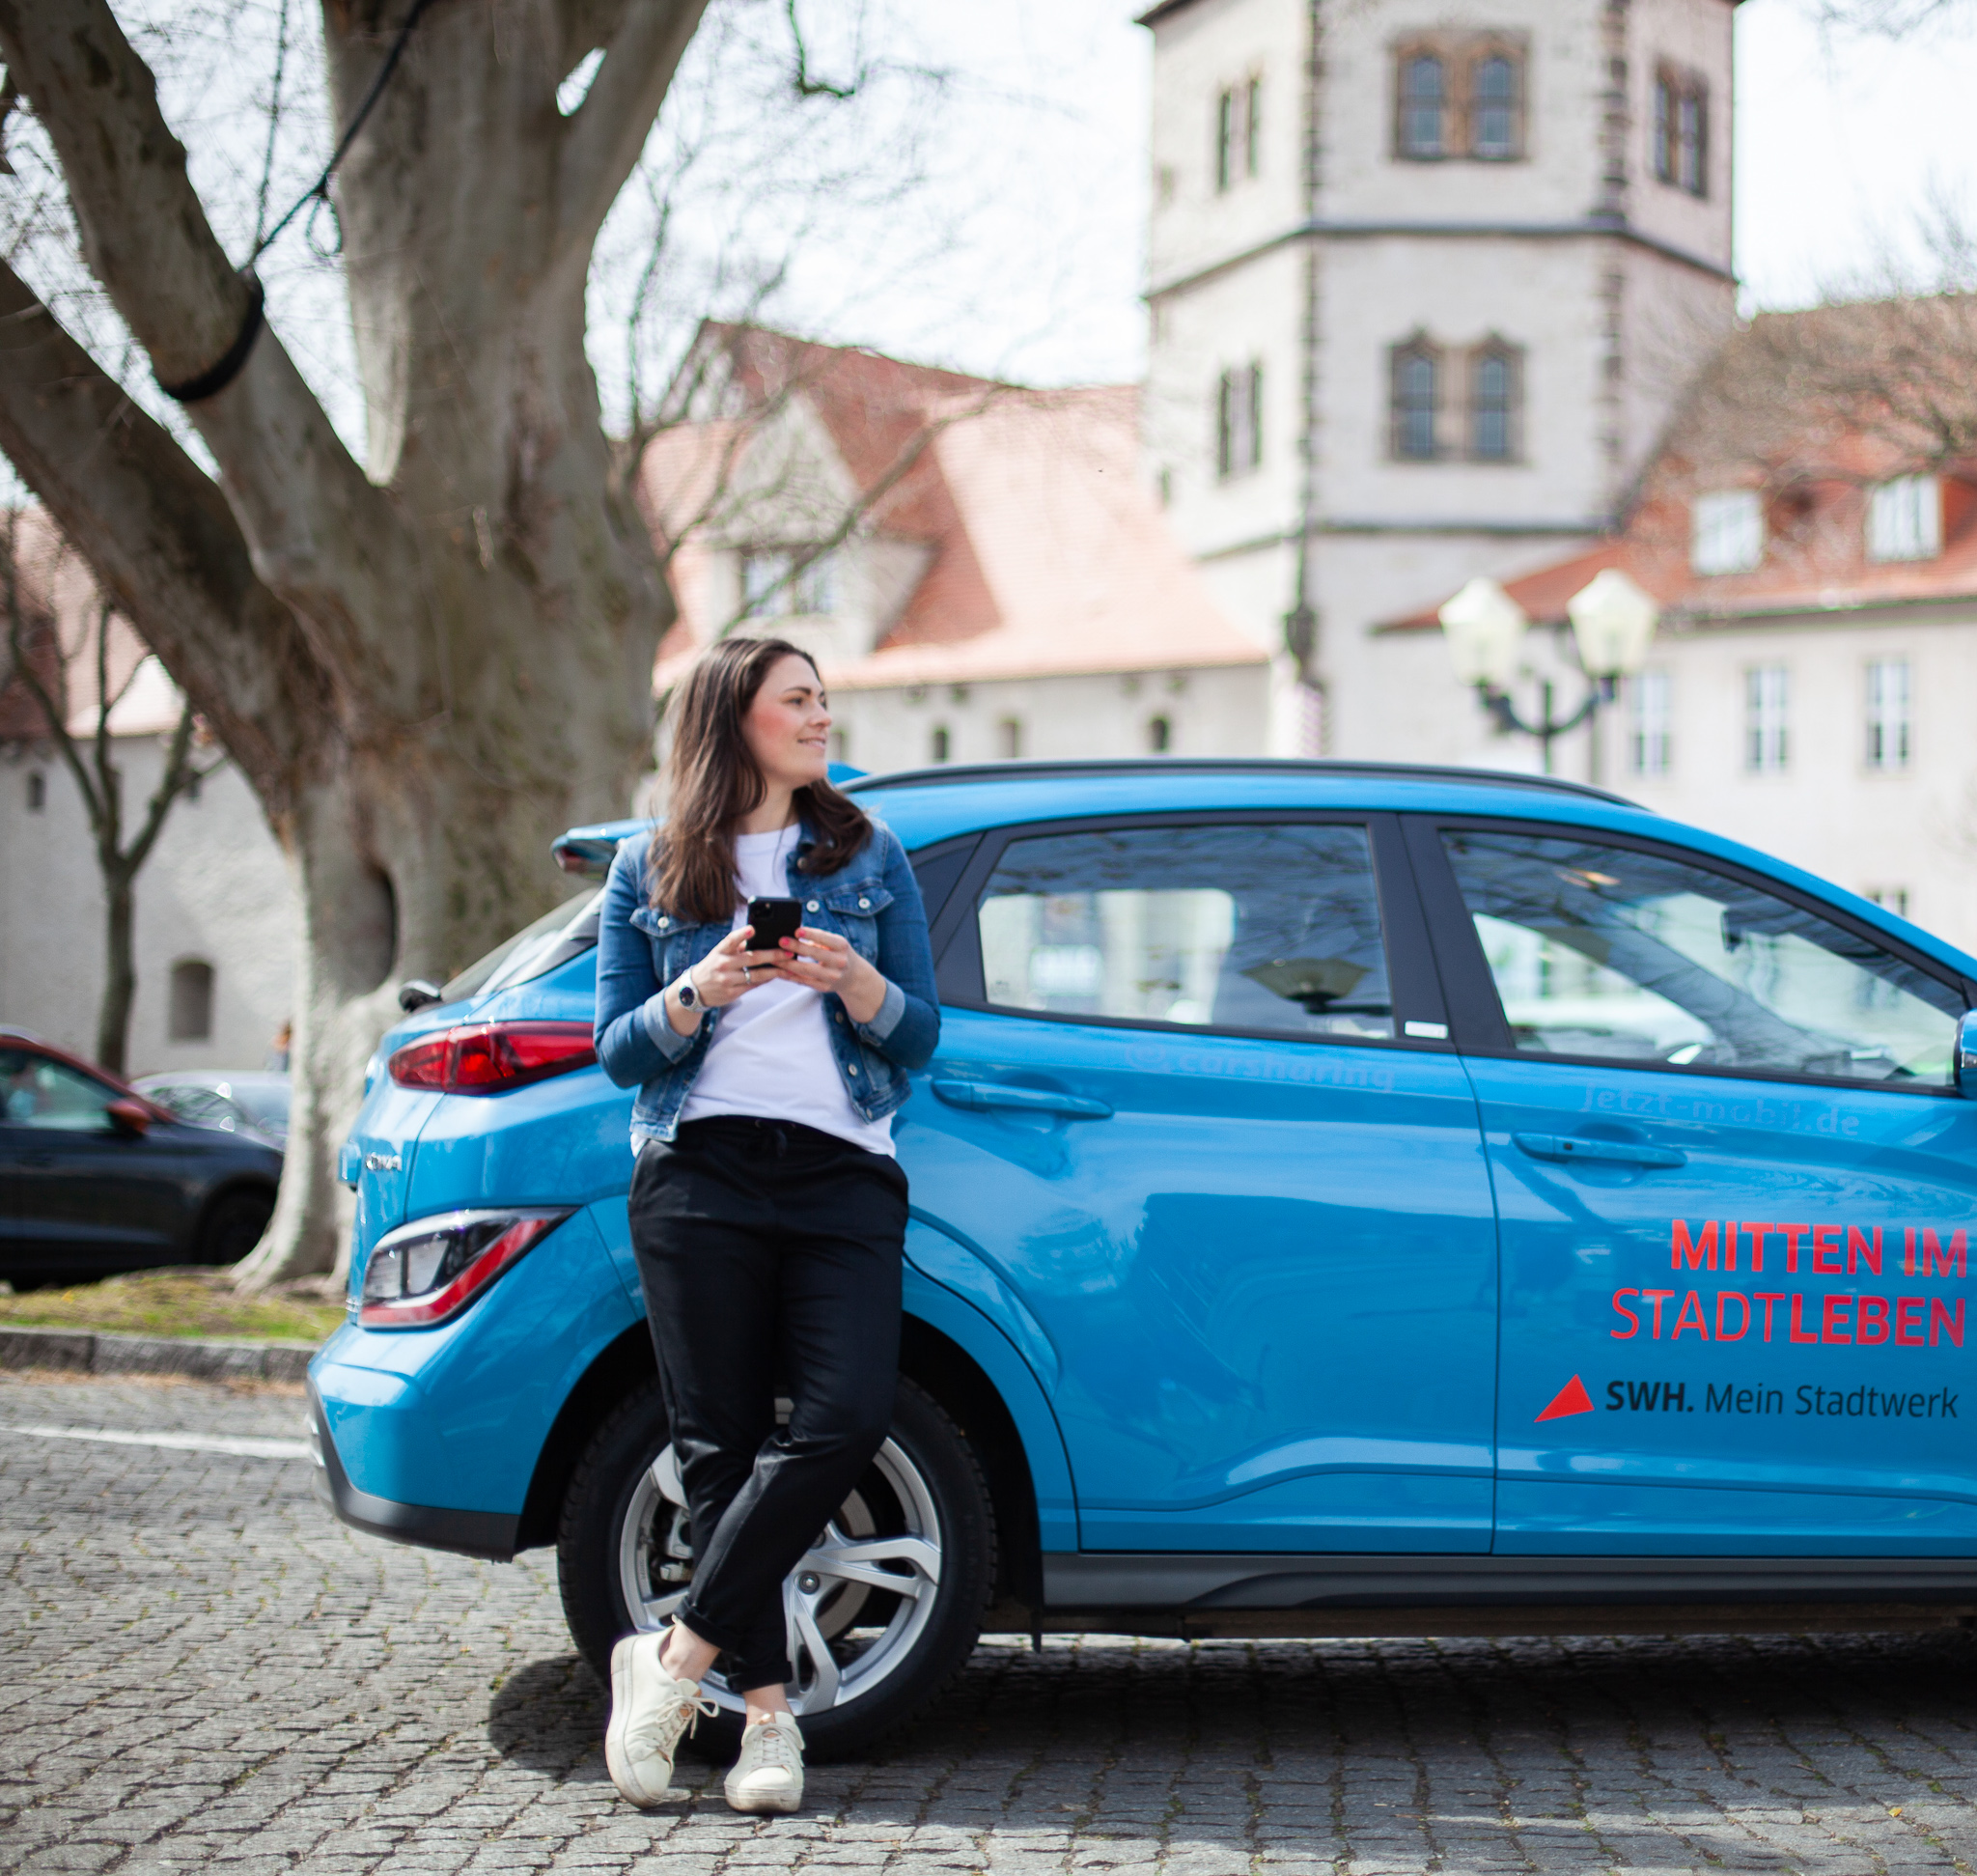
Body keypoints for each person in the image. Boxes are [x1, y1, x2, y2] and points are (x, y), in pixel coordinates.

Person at [591, 635, 939, 1814]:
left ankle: (674, 1657)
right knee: (716, 1444)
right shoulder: (648, 864)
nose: (819, 715)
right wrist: (698, 990)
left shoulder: (868, 852)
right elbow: (614, 1050)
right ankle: (768, 1722)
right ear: (733, 715)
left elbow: (919, 1033)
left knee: (843, 1417)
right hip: (700, 1173)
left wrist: (853, 982)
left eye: (823, 698)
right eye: (797, 699)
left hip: (842, 1169)